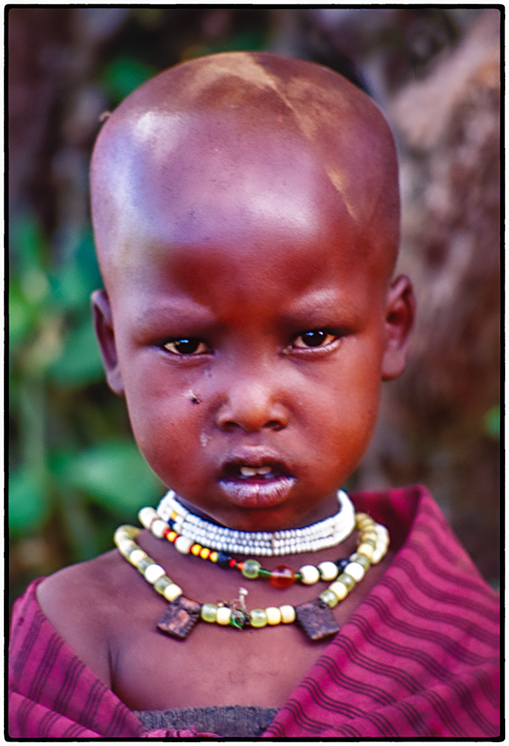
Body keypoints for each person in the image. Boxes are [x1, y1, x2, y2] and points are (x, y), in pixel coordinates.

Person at [8, 51, 499, 739]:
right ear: (111, 346)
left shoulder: (452, 636)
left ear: (392, 329)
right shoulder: (72, 633)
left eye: (311, 337)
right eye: (185, 345)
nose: (249, 404)